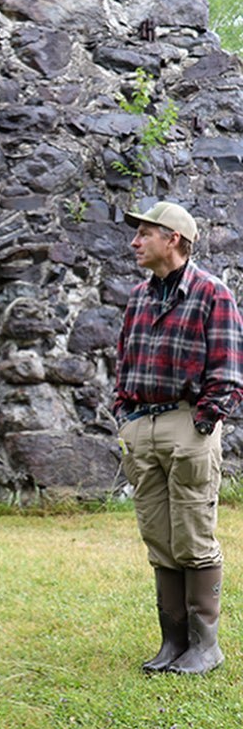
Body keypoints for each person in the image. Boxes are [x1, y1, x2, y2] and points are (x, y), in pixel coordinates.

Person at [114, 202, 243, 675]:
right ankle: (173, 644)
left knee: (193, 536)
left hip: (188, 424)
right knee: (158, 537)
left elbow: (228, 371)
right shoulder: (139, 297)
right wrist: (124, 416)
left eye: (144, 233)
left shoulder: (213, 293)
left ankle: (205, 646)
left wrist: (205, 422)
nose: (134, 242)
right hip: (141, 428)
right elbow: (123, 363)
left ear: (173, 239)